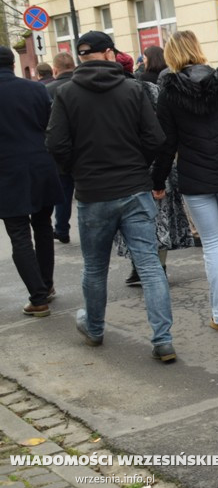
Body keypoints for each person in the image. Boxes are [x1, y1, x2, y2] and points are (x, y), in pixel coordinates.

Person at [46, 31, 176, 362]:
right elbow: (156, 138)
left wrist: (77, 171)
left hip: (93, 192)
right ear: (107, 54)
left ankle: (94, 328)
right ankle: (162, 339)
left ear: (80, 56)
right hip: (133, 187)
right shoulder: (132, 89)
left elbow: (56, 144)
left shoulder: (67, 93)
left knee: (94, 266)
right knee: (149, 265)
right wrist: (139, 166)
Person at [152, 30, 218, 333]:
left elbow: (165, 144)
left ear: (172, 55)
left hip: (195, 178)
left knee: (211, 242)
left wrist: (157, 180)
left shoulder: (170, 93)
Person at [118, 45, 194, 287]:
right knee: (158, 217)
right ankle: (153, 266)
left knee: (138, 219)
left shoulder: (141, 90)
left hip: (137, 166)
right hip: (158, 162)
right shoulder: (151, 89)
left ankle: (144, 267)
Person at [0, 46, 63, 317]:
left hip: (6, 171)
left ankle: (38, 298)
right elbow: (49, 126)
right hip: (40, 165)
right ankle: (46, 285)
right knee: (43, 226)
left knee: (19, 233)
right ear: (13, 64)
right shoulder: (37, 89)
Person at [46, 52, 76, 244]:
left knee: (64, 192)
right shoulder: (82, 85)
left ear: (55, 69)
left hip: (62, 150)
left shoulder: (48, 89)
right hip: (86, 148)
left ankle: (62, 228)